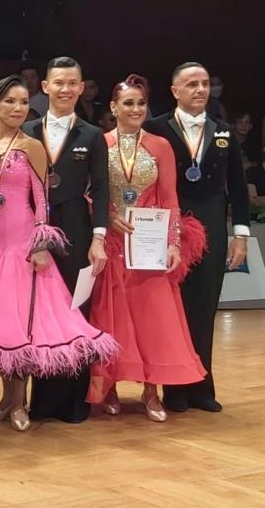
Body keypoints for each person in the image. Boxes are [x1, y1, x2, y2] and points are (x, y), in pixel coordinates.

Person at [0, 75, 117, 432]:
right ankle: (5, 399)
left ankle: (19, 403)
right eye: (10, 102)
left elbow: (42, 201)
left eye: (23, 102)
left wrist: (41, 243)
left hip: (20, 246)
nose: (18, 109)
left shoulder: (32, 146)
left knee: (21, 325)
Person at [87, 75, 206, 422]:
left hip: (148, 243)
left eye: (141, 103)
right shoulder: (99, 143)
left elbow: (169, 198)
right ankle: (109, 387)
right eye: (128, 103)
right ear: (113, 107)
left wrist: (173, 242)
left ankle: (151, 390)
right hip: (113, 243)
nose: (136, 109)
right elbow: (89, 192)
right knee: (112, 318)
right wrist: (107, 217)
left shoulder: (160, 145)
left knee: (151, 319)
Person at [145, 63, 250, 412]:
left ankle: (202, 388)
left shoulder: (223, 131)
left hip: (212, 226)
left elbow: (238, 187)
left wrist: (240, 235)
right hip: (169, 226)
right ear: (175, 90)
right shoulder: (156, 128)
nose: (200, 89)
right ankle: (174, 389)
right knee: (172, 309)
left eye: (204, 83)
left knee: (205, 308)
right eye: (191, 84)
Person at [23, 56, 110, 423]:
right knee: (41, 312)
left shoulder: (92, 135)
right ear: (45, 86)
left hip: (75, 225)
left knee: (75, 309)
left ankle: (74, 401)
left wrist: (98, 238)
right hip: (33, 226)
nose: (65, 89)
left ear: (81, 87)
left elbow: (102, 188)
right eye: (58, 82)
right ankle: (43, 401)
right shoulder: (26, 130)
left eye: (72, 83)